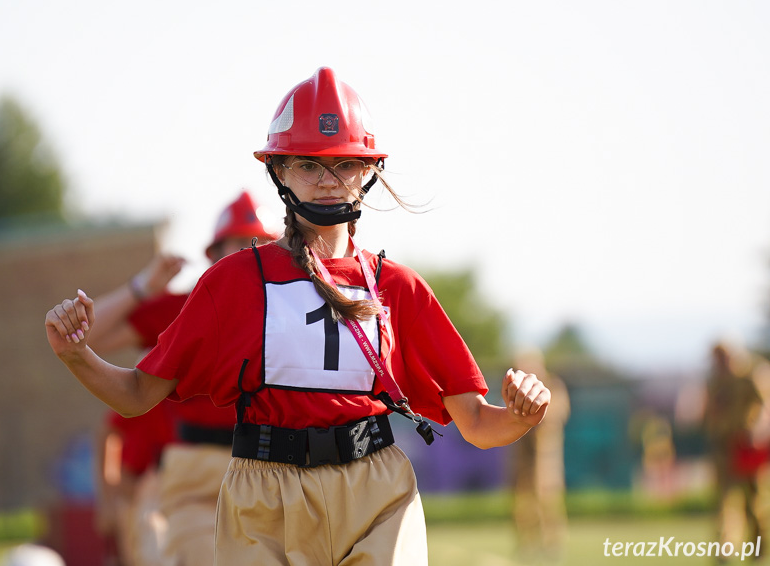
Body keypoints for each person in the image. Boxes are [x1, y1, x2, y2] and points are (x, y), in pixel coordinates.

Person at [45, 66, 552, 565]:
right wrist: (76, 355)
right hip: (263, 498)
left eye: (345, 165)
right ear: (279, 171)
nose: (328, 181)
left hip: (378, 493)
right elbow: (137, 394)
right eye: (309, 165)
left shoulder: (401, 286)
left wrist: (522, 415)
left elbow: (479, 425)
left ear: (369, 172)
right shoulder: (231, 282)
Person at [89, 191, 279, 566]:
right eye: (240, 243)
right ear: (214, 256)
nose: (251, 253)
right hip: (193, 472)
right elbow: (83, 339)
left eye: (262, 245)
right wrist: (143, 287)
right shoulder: (186, 309)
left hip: (269, 468)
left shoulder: (292, 314)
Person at [702, 338, 770, 557]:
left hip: (749, 447)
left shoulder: (753, 374)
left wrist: (756, 432)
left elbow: (764, 406)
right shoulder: (714, 380)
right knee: (725, 502)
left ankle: (758, 548)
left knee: (755, 502)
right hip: (724, 447)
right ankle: (724, 551)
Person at [507, 347, 570, 565]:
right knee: (522, 503)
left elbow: (558, 414)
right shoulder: (515, 389)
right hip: (522, 455)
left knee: (548, 501)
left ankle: (551, 544)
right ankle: (526, 543)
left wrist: (535, 414)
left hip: (546, 456)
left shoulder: (553, 386)